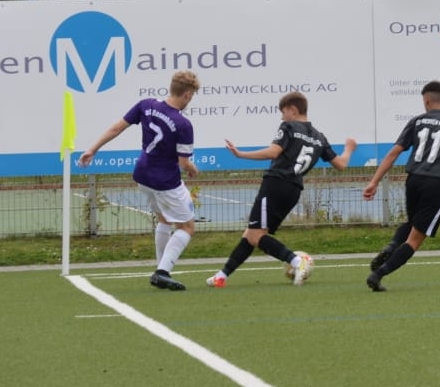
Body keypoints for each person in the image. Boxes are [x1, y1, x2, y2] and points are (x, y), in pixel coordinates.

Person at [206, 91, 355, 287]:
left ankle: (297, 261)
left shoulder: (289, 127)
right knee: (251, 234)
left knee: (256, 235)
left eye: (283, 112)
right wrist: (349, 148)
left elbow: (274, 151)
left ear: (293, 110)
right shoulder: (320, 137)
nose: (282, 117)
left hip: (275, 184)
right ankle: (221, 276)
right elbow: (341, 164)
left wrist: (241, 154)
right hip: (293, 191)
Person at [80, 70, 201, 290]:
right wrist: (193, 169)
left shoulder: (146, 105)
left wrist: (92, 149)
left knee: (164, 219)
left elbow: (117, 127)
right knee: (187, 227)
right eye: (192, 95)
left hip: (143, 175)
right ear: (187, 94)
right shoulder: (183, 124)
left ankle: (161, 269)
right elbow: (184, 162)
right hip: (165, 181)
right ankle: (162, 272)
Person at [361, 80, 440, 291]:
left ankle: (391, 247)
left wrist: (374, 182)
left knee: (412, 222)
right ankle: (378, 274)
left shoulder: (417, 121)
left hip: (414, 179)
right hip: (439, 182)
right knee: (415, 239)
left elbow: (394, 152)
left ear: (426, 101)